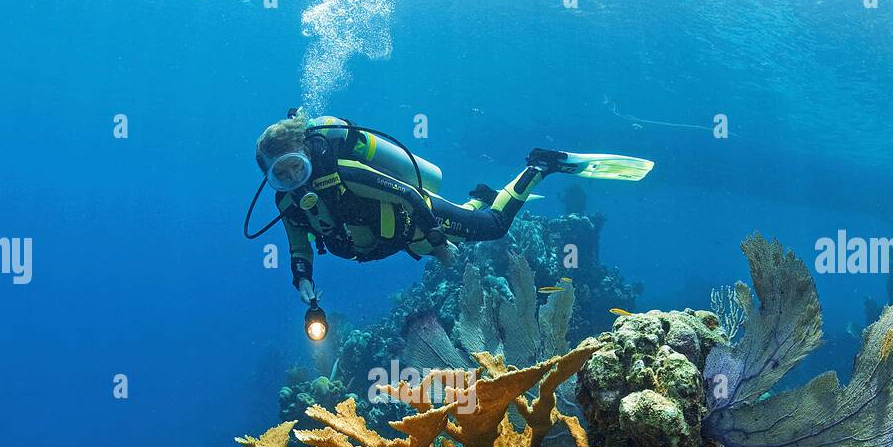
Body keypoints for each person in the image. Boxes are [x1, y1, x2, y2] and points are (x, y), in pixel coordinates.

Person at [251, 112, 654, 305]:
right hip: (400, 240)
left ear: (306, 154)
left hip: (419, 220)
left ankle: (541, 167)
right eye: (281, 175)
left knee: (494, 227)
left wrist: (441, 245)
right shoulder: (286, 201)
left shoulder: (342, 172)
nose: (293, 178)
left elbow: (408, 195)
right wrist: (300, 280)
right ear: (269, 176)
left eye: (296, 167)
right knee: (476, 213)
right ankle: (480, 196)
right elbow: (298, 246)